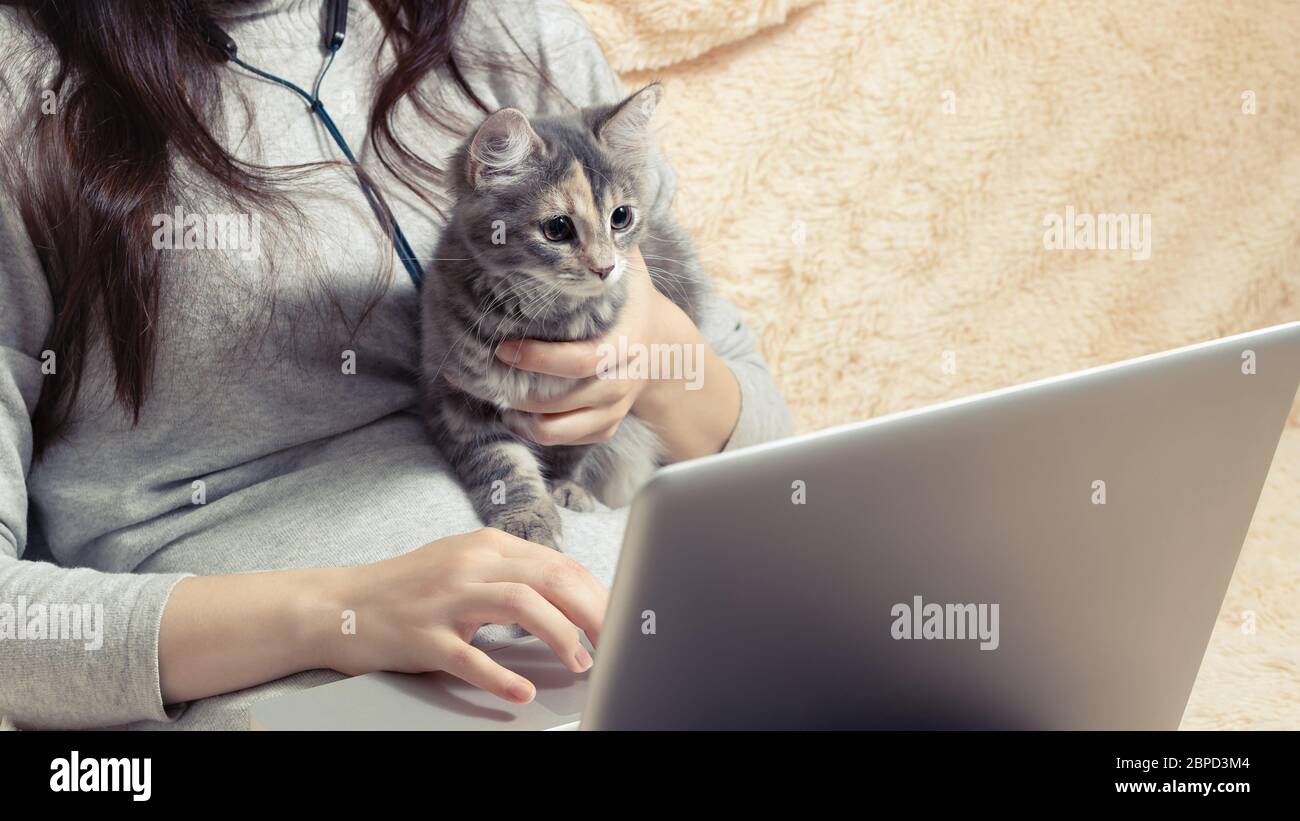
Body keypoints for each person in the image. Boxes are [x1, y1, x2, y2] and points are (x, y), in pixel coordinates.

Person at [0, 0, 791, 729]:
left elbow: (772, 449)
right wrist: (339, 612)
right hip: (321, 685)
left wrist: (656, 355)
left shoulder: (504, 23)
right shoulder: (23, 81)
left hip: (654, 637)